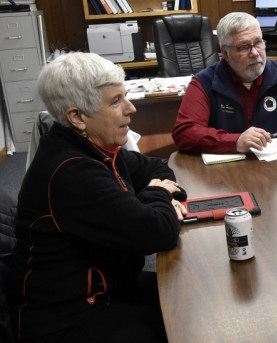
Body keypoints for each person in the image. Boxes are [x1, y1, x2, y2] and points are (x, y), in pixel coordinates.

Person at [9, 52, 187, 343]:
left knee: (186, 294)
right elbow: (158, 232)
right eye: (116, 101)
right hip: (66, 318)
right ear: (77, 117)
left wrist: (148, 199)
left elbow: (158, 166)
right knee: (180, 326)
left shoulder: (96, 150)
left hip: (109, 287)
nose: (131, 109)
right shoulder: (70, 172)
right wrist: (155, 194)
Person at [172, 12, 277, 154]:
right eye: (243, 47)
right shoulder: (204, 82)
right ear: (225, 53)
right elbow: (185, 133)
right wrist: (234, 142)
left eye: (258, 42)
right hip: (225, 174)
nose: (255, 53)